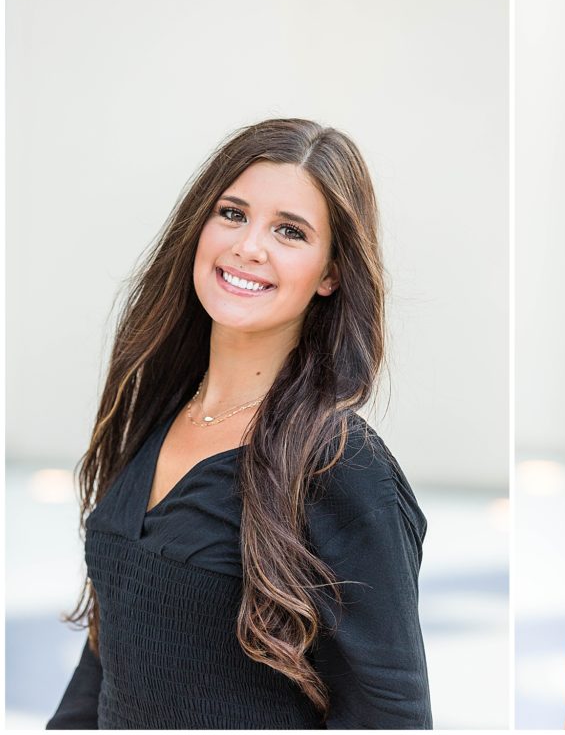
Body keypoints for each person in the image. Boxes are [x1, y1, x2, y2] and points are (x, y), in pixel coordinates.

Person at [46, 118, 432, 729]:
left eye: (289, 231)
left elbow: (391, 715)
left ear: (331, 273)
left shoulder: (341, 465)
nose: (250, 246)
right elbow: (109, 652)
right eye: (232, 213)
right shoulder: (153, 405)